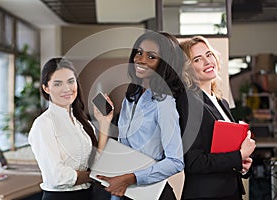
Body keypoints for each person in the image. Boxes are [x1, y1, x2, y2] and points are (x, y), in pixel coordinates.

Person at [96, 31, 185, 200]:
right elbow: (124, 147)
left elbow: (176, 161)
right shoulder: (131, 97)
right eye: (139, 52)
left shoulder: (164, 102)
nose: (141, 59)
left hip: (150, 193)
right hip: (126, 191)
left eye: (151, 57)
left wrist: (131, 178)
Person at [177, 36, 256, 200]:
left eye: (209, 54)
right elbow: (193, 161)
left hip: (228, 193)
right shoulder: (189, 101)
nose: (207, 62)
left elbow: (224, 152)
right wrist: (238, 156)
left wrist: (241, 165)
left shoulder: (222, 103)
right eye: (197, 59)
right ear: (186, 69)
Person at [28, 57, 113, 200]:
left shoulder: (81, 122)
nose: (67, 88)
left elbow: (97, 163)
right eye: (58, 84)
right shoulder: (43, 124)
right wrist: (92, 176)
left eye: (70, 81)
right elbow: (57, 177)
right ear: (46, 88)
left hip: (86, 195)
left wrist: (104, 123)